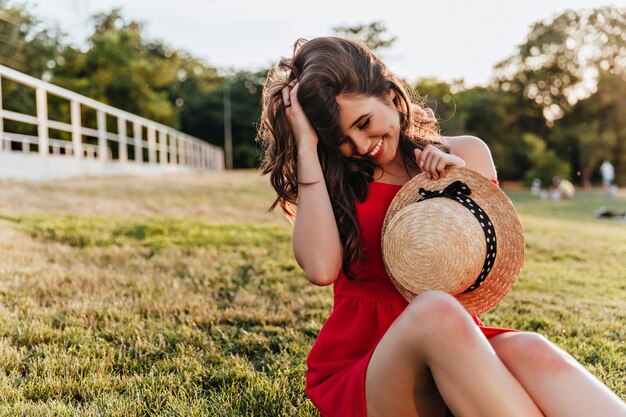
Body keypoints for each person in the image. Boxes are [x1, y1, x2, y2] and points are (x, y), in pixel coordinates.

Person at [257, 37, 626, 417]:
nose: (360, 144)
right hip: (368, 372)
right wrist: (306, 146)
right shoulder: (338, 182)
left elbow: (488, 271)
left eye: (364, 123)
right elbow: (320, 270)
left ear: (387, 93)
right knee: (435, 310)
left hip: (455, 351)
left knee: (532, 349)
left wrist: (460, 188)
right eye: (341, 139)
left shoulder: (465, 154)